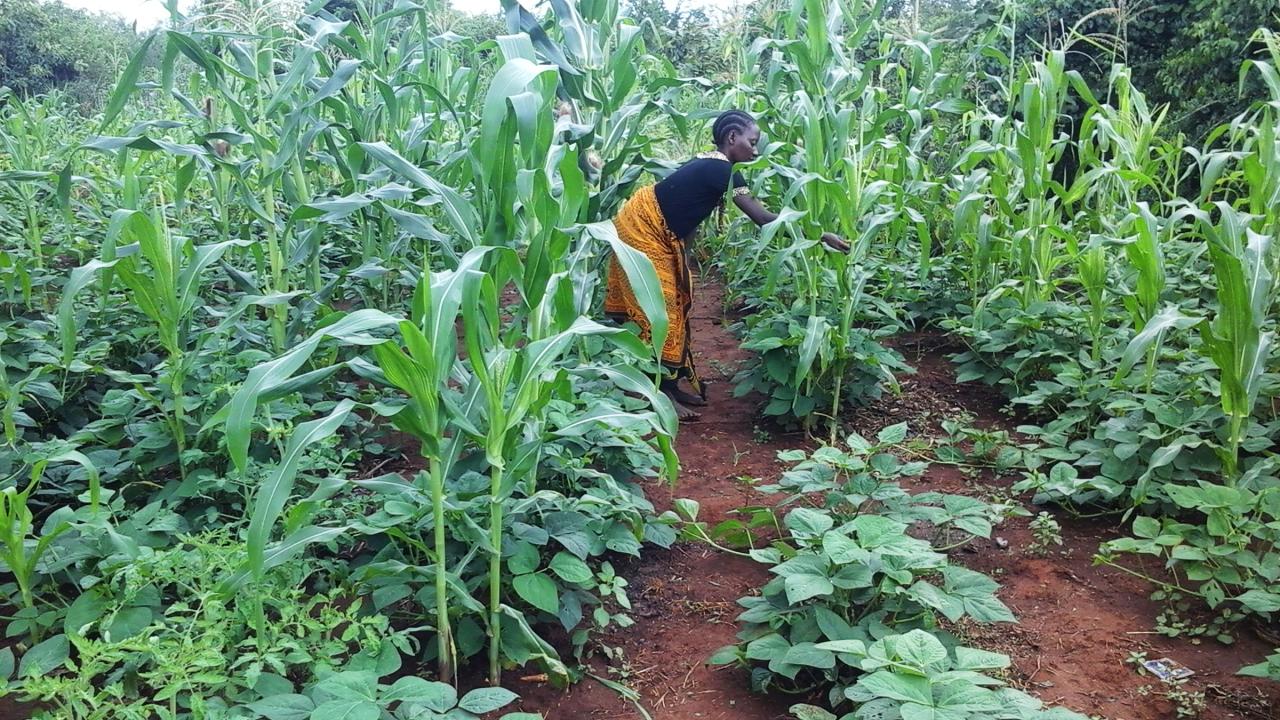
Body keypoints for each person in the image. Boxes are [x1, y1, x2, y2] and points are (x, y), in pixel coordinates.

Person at [604, 109, 849, 420]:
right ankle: (658, 394)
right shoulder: (724, 172)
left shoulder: (713, 166)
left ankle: (671, 383)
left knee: (677, 302)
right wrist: (819, 235)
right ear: (732, 138)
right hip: (642, 229)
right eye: (753, 141)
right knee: (660, 311)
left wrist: (683, 262)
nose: (756, 150)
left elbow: (688, 214)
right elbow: (763, 219)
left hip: (654, 228)